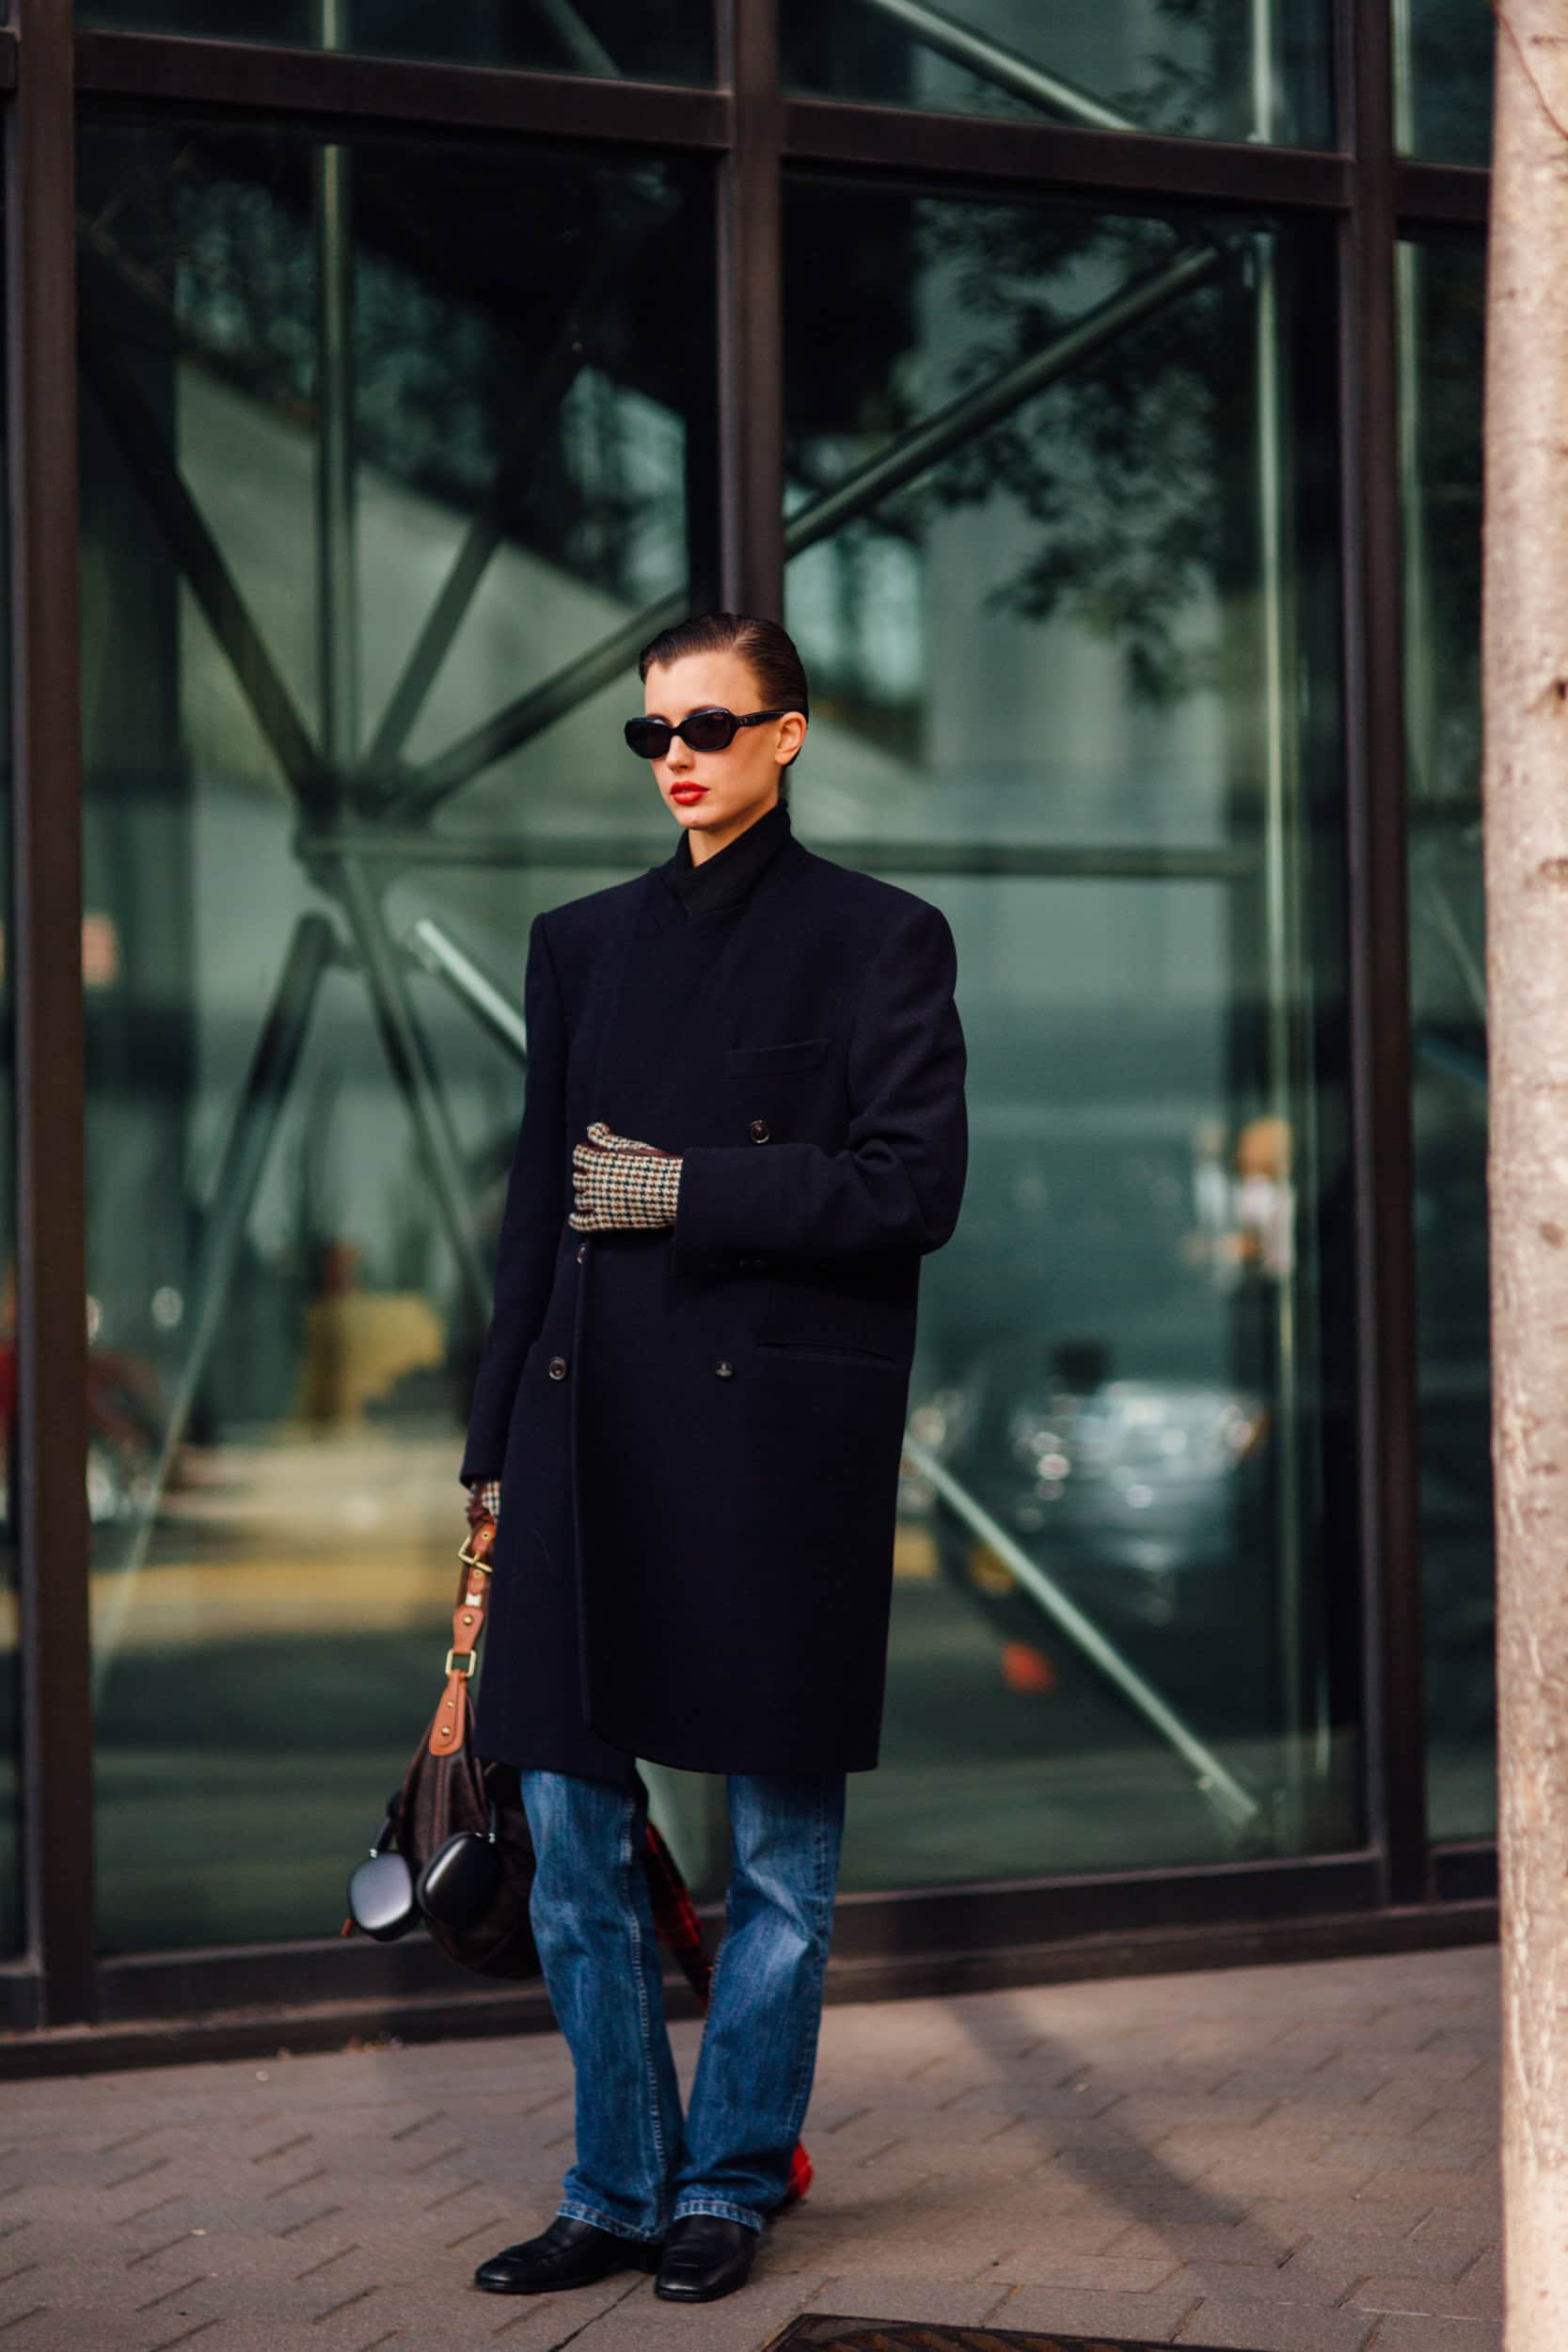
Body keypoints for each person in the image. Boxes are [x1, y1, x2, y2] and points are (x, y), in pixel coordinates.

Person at [460, 612, 968, 2306]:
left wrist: (690, 1189)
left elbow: (914, 1187)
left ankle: (731, 2179)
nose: (676, 756)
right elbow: (535, 1215)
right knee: (569, 1837)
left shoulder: (880, 940)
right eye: (652, 733)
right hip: (579, 1434)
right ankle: (617, 2184)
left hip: (771, 1454)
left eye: (709, 726)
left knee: (776, 1863)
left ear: (789, 735)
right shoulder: (582, 944)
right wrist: (490, 1450)